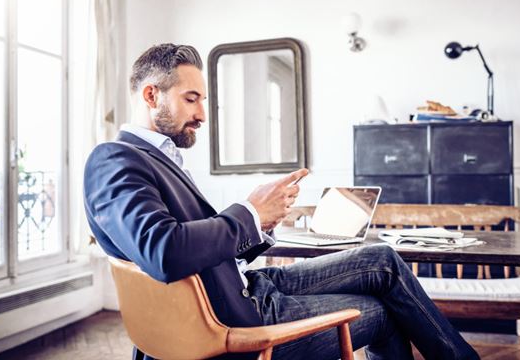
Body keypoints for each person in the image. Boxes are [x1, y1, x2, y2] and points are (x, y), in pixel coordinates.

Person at [83, 43, 479, 360]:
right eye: (191, 99)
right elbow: (164, 251)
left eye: (203, 100)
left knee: (382, 260)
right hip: (236, 319)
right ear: (152, 95)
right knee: (384, 310)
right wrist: (250, 213)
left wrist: (261, 225)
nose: (203, 113)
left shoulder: (156, 158)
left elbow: (192, 242)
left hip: (247, 286)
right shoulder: (113, 160)